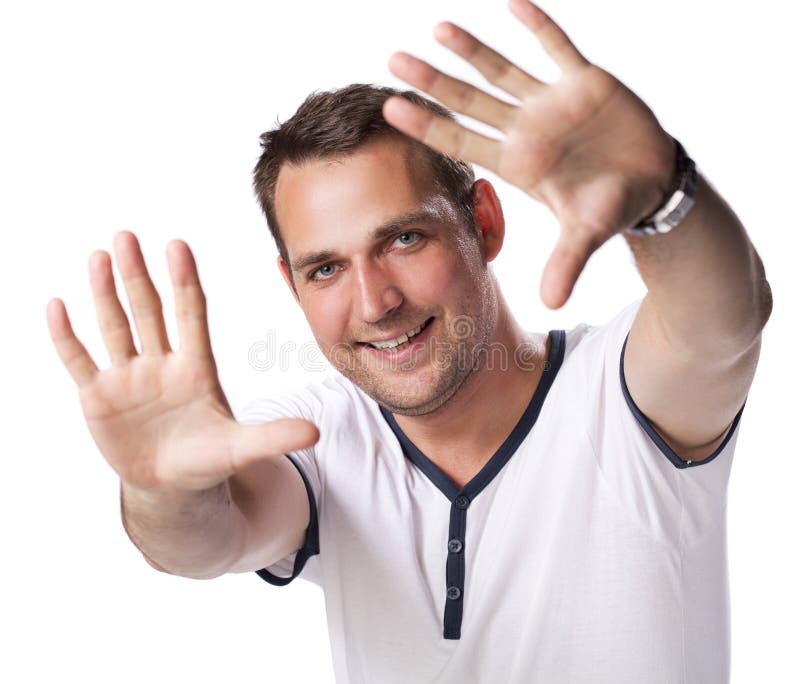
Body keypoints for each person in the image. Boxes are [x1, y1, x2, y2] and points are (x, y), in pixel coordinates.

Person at [46, 1, 771, 682]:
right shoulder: (317, 436)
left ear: (484, 223)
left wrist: (662, 197)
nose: (376, 303)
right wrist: (161, 488)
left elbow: (721, 324)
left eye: (403, 239)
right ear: (292, 287)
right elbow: (208, 538)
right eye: (326, 269)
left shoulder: (617, 395)